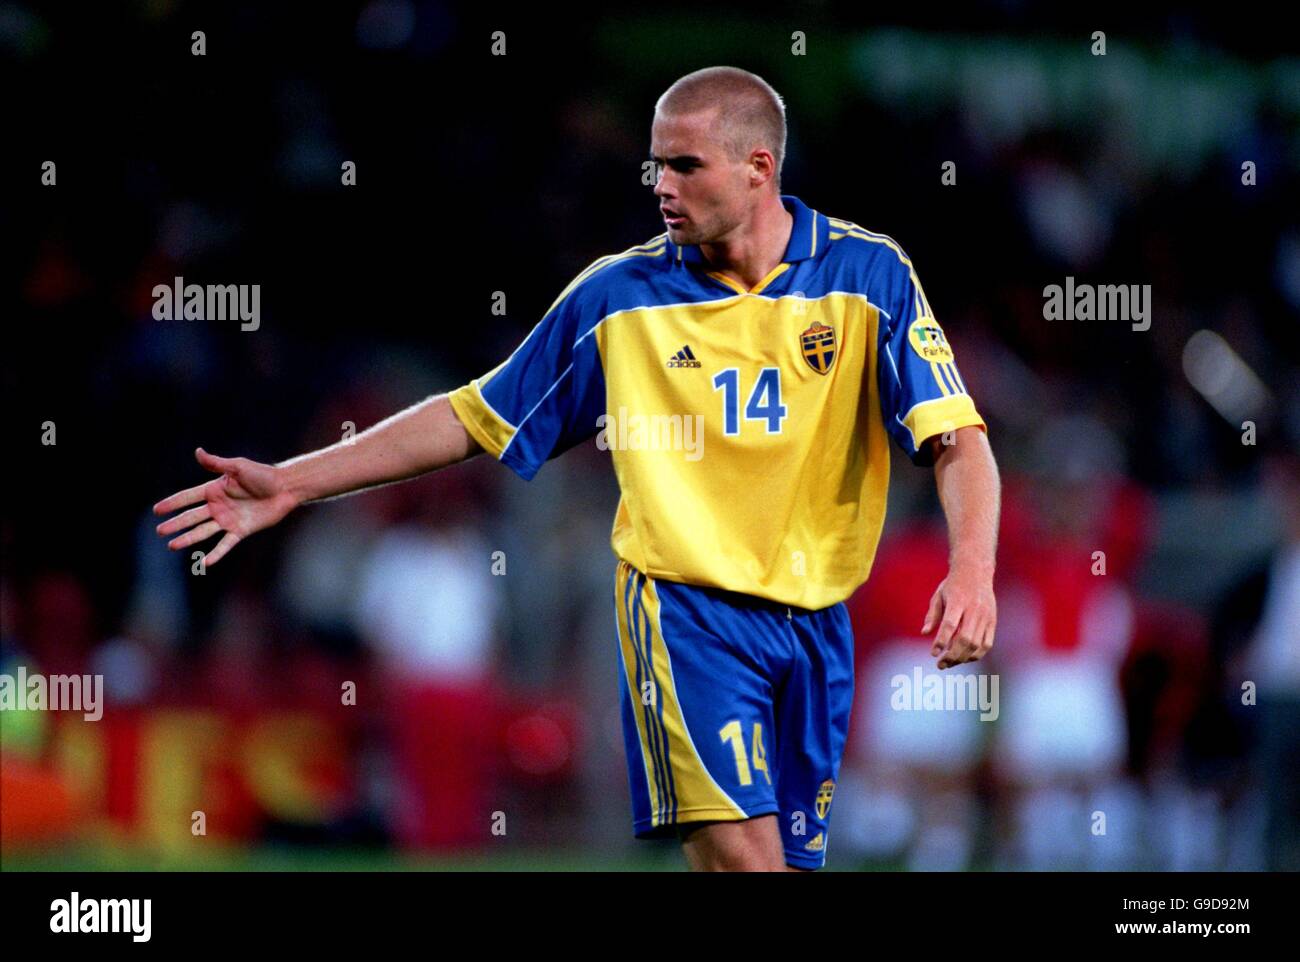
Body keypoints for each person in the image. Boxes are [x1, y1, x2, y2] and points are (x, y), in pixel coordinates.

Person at [153, 66, 1001, 871]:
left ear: (758, 167)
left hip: (818, 624)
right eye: (654, 164)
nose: (660, 185)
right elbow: (474, 415)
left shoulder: (868, 276)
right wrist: (297, 480)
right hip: (686, 616)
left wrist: (972, 571)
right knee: (748, 860)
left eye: (684, 164)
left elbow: (958, 438)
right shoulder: (618, 299)